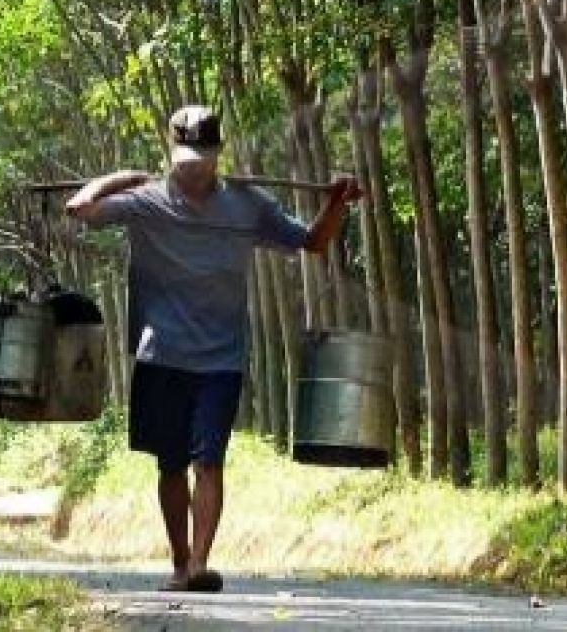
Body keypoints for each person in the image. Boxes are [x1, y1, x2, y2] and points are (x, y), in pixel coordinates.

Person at [65, 105, 362, 592]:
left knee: (209, 460)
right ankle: (180, 564)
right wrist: (117, 178)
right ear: (171, 152)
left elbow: (312, 242)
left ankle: (200, 563)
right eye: (185, 156)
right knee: (170, 465)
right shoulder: (145, 201)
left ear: (218, 153)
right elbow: (79, 209)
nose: (194, 165)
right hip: (161, 354)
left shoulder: (248, 204)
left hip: (221, 357)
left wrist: (336, 202)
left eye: (202, 155)